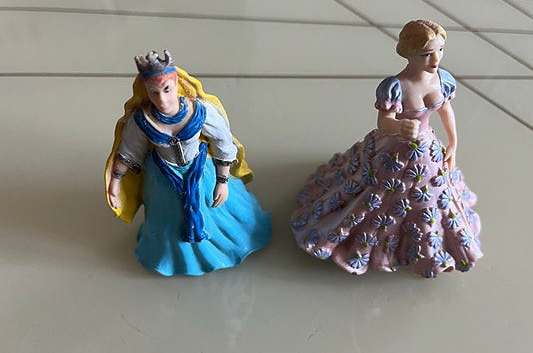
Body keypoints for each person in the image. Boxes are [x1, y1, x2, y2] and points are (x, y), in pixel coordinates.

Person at [290, 20, 482, 278]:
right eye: (427, 54)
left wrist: (453, 143)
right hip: (392, 152)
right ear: (410, 53)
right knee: (377, 199)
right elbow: (383, 121)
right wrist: (399, 127)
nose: (436, 59)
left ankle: (427, 249)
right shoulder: (396, 86)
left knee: (430, 200)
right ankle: (377, 245)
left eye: (440, 50)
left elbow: (446, 110)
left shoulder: (442, 80)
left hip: (427, 150)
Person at [105, 50, 271, 276]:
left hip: (202, 172)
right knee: (169, 223)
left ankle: (222, 249)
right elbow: (129, 153)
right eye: (154, 92)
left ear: (176, 84)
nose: (162, 99)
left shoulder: (199, 111)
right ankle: (176, 258)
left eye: (167, 89)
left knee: (216, 214)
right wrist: (115, 184)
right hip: (162, 180)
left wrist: (222, 181)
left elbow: (222, 142)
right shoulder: (142, 121)